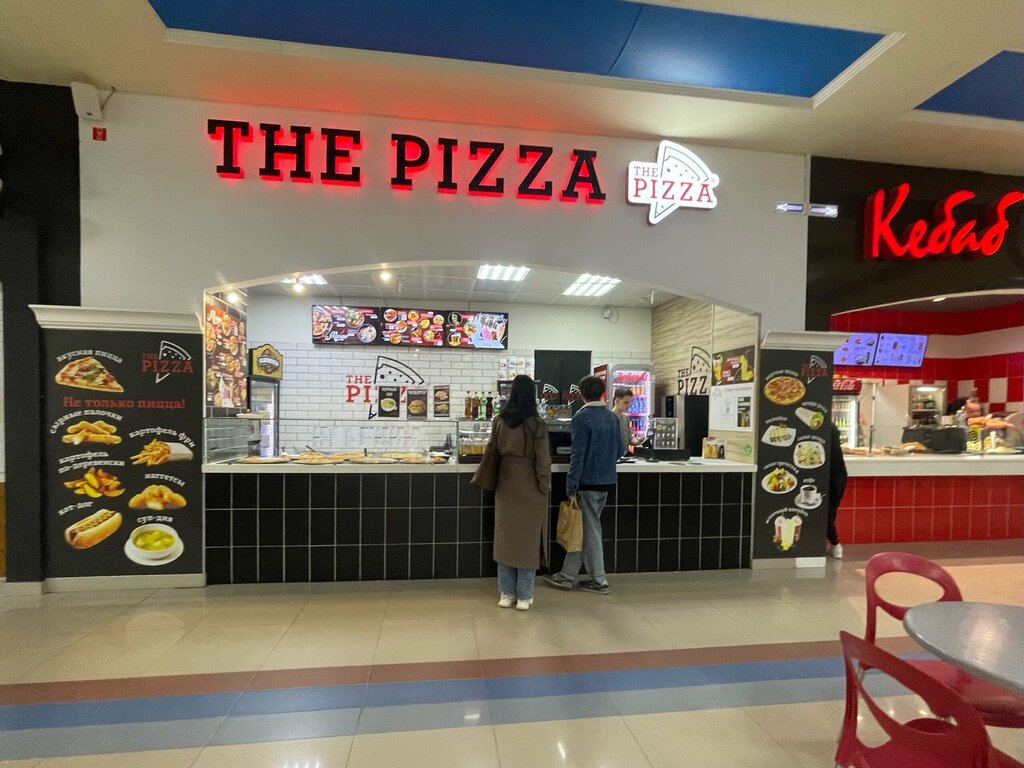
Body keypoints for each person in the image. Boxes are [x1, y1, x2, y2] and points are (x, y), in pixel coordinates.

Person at [543, 375, 623, 594]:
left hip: (587, 482)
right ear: (602, 392)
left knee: (591, 531)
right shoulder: (612, 417)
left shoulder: (581, 418)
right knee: (586, 528)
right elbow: (620, 450)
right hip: (607, 480)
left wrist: (571, 483)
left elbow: (577, 456)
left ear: (581, 394)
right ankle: (567, 576)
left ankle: (599, 580)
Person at [489, 374, 551, 611]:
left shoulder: (499, 420)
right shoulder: (537, 424)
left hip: (505, 483)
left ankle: (506, 594)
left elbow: (492, 451)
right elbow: (543, 460)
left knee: (505, 539)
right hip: (530, 484)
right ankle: (524, 596)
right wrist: (544, 486)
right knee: (528, 541)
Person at [827, 421, 848, 559]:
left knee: (827, 512)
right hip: (839, 474)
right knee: (830, 511)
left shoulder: (824, 427)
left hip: (829, 474)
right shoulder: (831, 426)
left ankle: (835, 544)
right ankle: (834, 545)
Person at [611, 386, 639, 453]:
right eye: (626, 402)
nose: (629, 405)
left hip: (624, 456)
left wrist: (638, 441)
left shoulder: (626, 418)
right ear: (617, 401)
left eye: (630, 402)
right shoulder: (608, 418)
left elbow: (630, 439)